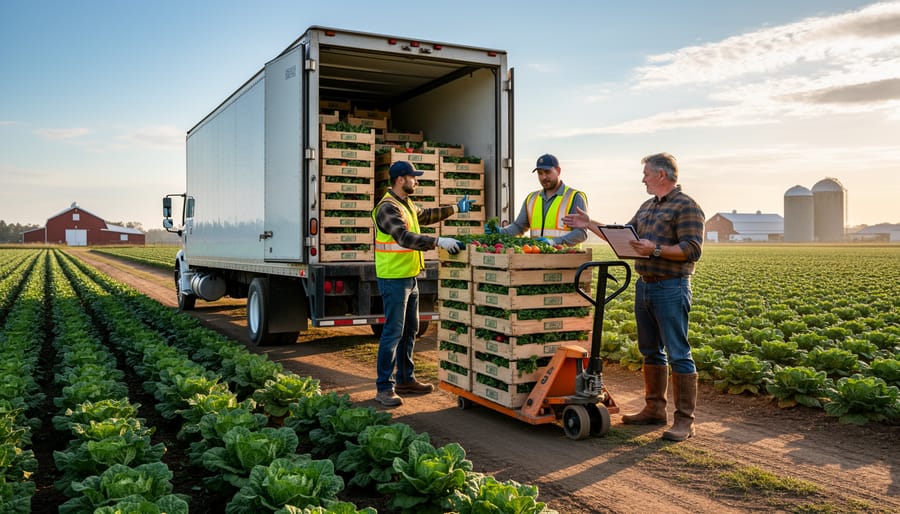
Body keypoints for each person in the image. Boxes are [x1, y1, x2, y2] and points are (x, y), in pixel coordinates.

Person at [562, 152, 704, 441]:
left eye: (647, 174)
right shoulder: (647, 207)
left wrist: (655, 250)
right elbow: (623, 235)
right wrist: (589, 224)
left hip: (671, 286)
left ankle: (685, 421)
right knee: (650, 350)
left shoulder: (687, 206)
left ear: (661, 175)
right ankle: (654, 409)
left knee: (678, 352)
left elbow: (692, 249)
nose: (643, 179)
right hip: (646, 285)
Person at [372, 160, 474, 407]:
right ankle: (384, 387)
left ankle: (406, 379)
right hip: (394, 279)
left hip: (410, 276)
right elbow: (404, 237)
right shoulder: (387, 208)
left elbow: (426, 215)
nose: (416, 181)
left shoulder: (406, 205)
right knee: (393, 332)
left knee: (410, 330)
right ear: (400, 179)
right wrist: (438, 241)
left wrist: (455, 208)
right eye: (413, 177)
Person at [490, 154, 588, 246]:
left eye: (547, 172)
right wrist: (501, 231)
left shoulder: (574, 197)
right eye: (540, 173)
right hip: (537, 258)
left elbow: (581, 233)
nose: (543, 177)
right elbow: (519, 227)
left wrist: (553, 242)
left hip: (566, 260)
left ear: (558, 171)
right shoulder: (531, 198)